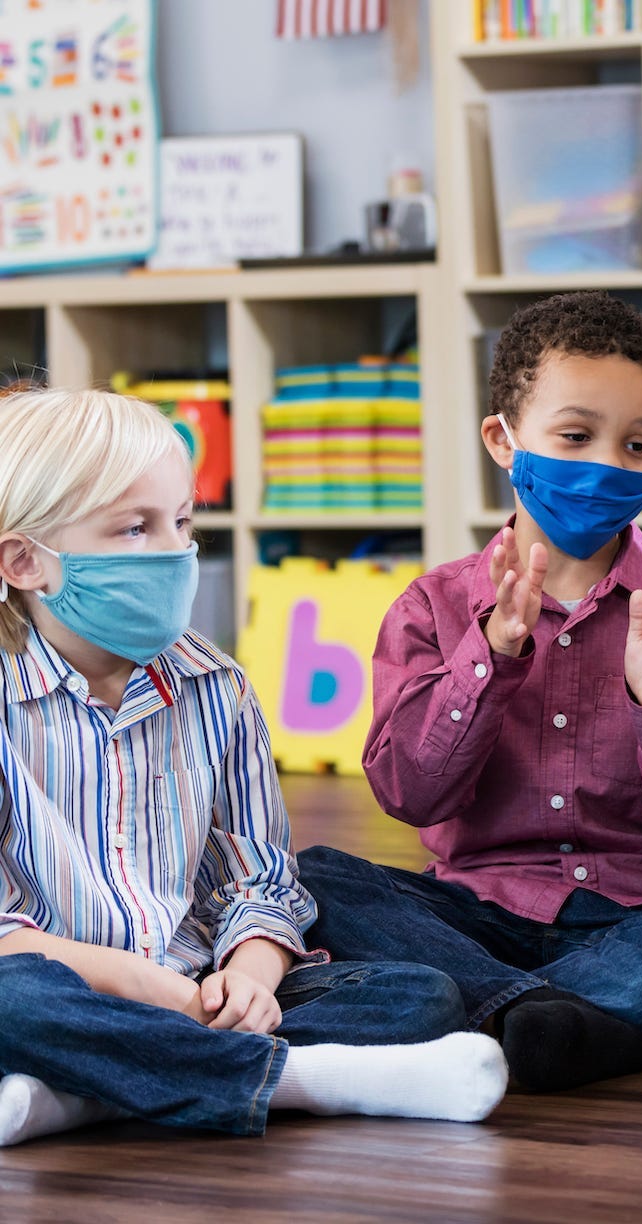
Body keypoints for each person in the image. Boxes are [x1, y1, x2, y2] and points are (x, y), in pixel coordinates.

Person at [0, 387, 505, 1145]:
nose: (174, 551)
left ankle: (87, 1092)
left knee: (420, 997)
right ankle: (298, 1083)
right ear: (25, 561)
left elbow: (259, 877)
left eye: (182, 521)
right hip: (60, 987)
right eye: (134, 529)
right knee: (15, 1002)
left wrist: (252, 971)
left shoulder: (217, 687)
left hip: (197, 990)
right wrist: (146, 987)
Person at [297, 292, 642, 1092]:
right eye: (575, 436)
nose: (606, 466)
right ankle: (555, 1024)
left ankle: (475, 1016)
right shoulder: (432, 607)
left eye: (637, 445)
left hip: (634, 920)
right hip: (472, 916)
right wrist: (490, 660)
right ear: (503, 441)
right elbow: (409, 794)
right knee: (314, 878)